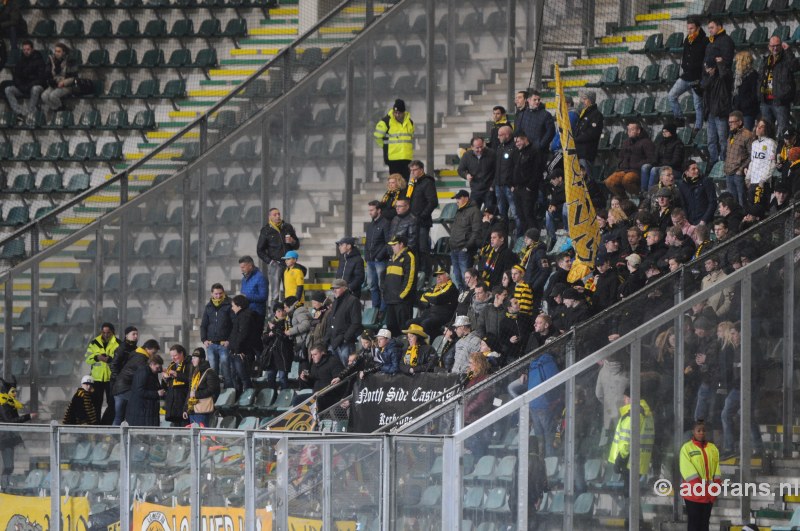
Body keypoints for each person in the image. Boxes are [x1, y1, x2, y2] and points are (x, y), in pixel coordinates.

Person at [607, 387, 655, 497]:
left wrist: (620, 459)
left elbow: (626, 441)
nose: (624, 401)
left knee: (629, 497)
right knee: (633, 496)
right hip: (638, 461)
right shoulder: (645, 413)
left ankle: (630, 514)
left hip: (629, 462)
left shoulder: (633, 414)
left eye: (625, 398)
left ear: (631, 398)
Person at [680, 419, 721, 531]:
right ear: (693, 432)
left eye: (703, 430)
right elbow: (687, 470)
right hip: (693, 493)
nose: (701, 433)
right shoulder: (687, 448)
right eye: (698, 430)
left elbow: (717, 470)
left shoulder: (713, 448)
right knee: (694, 523)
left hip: (708, 494)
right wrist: (699, 488)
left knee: (704, 524)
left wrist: (715, 488)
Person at [256, 208, 299, 311]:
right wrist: (270, 261)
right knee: (275, 293)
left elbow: (297, 245)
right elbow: (259, 250)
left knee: (289, 291)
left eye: (279, 214)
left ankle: (289, 314)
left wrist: (292, 241)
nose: (278, 216)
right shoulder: (266, 230)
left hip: (289, 265)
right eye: (275, 215)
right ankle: (273, 316)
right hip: (276, 264)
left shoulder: (288, 227)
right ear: (270, 217)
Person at [669, 17, 708, 131]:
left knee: (698, 105)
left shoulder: (704, 41)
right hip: (686, 75)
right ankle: (679, 118)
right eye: (688, 28)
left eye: (691, 28)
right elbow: (685, 56)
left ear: (698, 28)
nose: (689, 30)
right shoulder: (687, 40)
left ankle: (698, 127)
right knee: (671, 95)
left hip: (697, 77)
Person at [758, 36, 800, 140]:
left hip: (780, 101)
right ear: (769, 47)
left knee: (783, 130)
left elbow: (795, 67)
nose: (775, 48)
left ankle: (780, 154)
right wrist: (759, 95)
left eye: (777, 45)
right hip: (765, 101)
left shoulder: (786, 59)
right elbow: (760, 79)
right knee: (766, 130)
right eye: (773, 46)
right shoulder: (765, 60)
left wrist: (788, 51)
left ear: (781, 45)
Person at [112, 339, 161, 425]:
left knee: (119, 416)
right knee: (136, 407)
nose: (153, 355)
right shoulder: (141, 358)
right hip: (125, 388)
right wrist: (161, 370)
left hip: (119, 388)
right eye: (153, 353)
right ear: (147, 348)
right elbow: (148, 370)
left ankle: (116, 436)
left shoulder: (137, 354)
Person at [604, 122, 656, 199]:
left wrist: (637, 165)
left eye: (632, 130)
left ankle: (640, 197)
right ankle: (624, 199)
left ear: (638, 131)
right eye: (628, 130)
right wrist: (617, 154)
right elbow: (621, 156)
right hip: (624, 170)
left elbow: (652, 159)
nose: (629, 132)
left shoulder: (646, 142)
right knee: (609, 182)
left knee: (627, 180)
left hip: (636, 171)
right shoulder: (626, 142)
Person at [0, 378, 36, 489]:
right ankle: (3, 486)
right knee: (8, 466)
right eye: (13, 391)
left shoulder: (10, 404)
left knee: (9, 466)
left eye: (16, 391)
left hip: (8, 439)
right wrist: (28, 416)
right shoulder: (3, 404)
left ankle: (4, 486)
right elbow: (10, 422)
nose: (15, 394)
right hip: (4, 440)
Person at [406, 160, 439, 275]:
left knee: (423, 249)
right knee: (413, 249)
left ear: (421, 169)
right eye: (411, 170)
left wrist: (421, 216)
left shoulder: (427, 182)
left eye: (415, 170)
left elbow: (433, 202)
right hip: (411, 222)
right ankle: (416, 273)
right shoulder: (412, 184)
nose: (413, 172)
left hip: (422, 222)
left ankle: (426, 275)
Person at [200, 283, 233, 388]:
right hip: (211, 344)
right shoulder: (208, 306)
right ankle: (214, 392)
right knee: (213, 371)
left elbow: (234, 325)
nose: (218, 296)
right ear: (212, 294)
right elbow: (203, 325)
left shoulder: (229, 305)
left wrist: (229, 340)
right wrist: (204, 339)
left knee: (226, 369)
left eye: (220, 293)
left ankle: (229, 391)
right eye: (216, 294)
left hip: (224, 344)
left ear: (223, 293)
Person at [4, 40, 46, 121]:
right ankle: (19, 113)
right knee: (8, 89)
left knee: (35, 89)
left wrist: (29, 86)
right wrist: (21, 86)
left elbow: (41, 79)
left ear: (32, 49)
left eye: (28, 49)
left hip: (36, 86)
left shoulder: (39, 61)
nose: (26, 51)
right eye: (24, 50)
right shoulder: (20, 62)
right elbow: (16, 77)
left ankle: (30, 113)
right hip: (23, 87)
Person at [85, 322, 118, 425]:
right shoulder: (94, 343)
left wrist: (110, 359)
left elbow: (121, 359)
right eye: (103, 332)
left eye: (108, 332)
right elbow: (87, 358)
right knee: (95, 403)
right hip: (96, 379)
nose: (106, 335)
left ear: (113, 332)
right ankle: (95, 427)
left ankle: (106, 425)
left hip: (111, 378)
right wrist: (97, 357)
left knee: (112, 404)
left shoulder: (118, 343)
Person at [383, 235, 417, 337]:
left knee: (404, 329)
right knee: (391, 329)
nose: (392, 247)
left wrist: (402, 295)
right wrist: (385, 293)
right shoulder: (391, 258)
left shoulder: (409, 257)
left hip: (402, 301)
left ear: (401, 244)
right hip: (390, 300)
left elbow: (410, 279)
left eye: (394, 244)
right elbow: (386, 278)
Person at [449, 189, 483, 291]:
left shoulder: (474, 211)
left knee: (467, 278)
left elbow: (476, 231)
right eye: (456, 198)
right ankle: (461, 296)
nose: (457, 200)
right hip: (454, 248)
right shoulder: (459, 210)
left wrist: (467, 247)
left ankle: (468, 296)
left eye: (459, 198)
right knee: (457, 276)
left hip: (464, 250)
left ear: (466, 198)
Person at [323, 278, 362, 366]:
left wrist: (345, 338)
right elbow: (331, 322)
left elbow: (356, 322)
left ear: (345, 288)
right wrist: (327, 339)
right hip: (333, 342)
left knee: (347, 368)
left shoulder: (353, 301)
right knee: (336, 369)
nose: (334, 291)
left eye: (336, 288)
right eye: (333, 289)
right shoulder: (335, 302)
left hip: (345, 343)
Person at [702, 57, 733, 165]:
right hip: (710, 113)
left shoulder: (722, 78)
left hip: (720, 112)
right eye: (706, 68)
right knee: (711, 140)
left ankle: (724, 160)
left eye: (709, 68)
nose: (707, 70)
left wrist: (720, 64)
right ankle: (714, 161)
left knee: (723, 139)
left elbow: (725, 75)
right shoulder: (708, 78)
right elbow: (704, 86)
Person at [373, 98, 414, 180]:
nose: (397, 115)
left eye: (399, 113)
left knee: (404, 184)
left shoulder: (410, 122)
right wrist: (385, 147)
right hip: (393, 159)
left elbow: (410, 138)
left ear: (404, 112)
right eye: (396, 112)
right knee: (395, 184)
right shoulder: (386, 122)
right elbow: (377, 137)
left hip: (406, 158)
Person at [511, 131, 541, 237]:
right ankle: (526, 239)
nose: (516, 144)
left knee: (528, 214)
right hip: (517, 189)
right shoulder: (517, 152)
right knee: (520, 215)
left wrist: (530, 187)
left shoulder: (534, 151)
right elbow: (512, 169)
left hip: (528, 189)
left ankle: (534, 238)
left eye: (518, 141)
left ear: (525, 139)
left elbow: (537, 171)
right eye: (515, 142)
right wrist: (512, 185)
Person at [228, 295, 260, 394]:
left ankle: (247, 398)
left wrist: (238, 350)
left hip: (242, 352)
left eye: (233, 305)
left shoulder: (245, 316)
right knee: (235, 377)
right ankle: (238, 398)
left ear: (239, 306)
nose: (232, 308)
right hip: (235, 351)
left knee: (243, 377)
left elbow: (243, 334)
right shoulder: (240, 316)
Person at [299, 343, 345, 411]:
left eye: (315, 354)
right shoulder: (314, 364)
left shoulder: (333, 362)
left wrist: (321, 392)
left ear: (322, 353)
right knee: (297, 399)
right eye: (312, 355)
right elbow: (314, 382)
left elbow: (338, 382)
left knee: (317, 402)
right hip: (316, 395)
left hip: (330, 395)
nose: (312, 357)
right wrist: (305, 379)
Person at [724, 111, 755, 206]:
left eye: (732, 122)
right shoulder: (731, 134)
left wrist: (741, 169)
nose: (730, 124)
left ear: (740, 122)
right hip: (729, 172)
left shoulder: (748, 135)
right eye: (729, 122)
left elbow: (752, 155)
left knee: (742, 201)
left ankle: (744, 219)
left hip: (738, 174)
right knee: (732, 202)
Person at [260, 300, 293, 390]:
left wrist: (274, 330)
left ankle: (285, 396)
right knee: (271, 377)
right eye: (278, 311)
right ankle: (272, 396)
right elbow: (264, 339)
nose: (281, 313)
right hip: (272, 355)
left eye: (283, 310)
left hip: (283, 354)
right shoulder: (271, 323)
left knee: (282, 378)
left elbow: (285, 337)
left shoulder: (288, 322)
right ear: (275, 313)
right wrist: (269, 335)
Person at [183, 348, 220, 427]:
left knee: (202, 436)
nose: (192, 360)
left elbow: (212, 390)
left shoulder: (209, 372)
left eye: (195, 358)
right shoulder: (194, 373)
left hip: (203, 411)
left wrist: (196, 394)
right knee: (194, 436)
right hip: (193, 410)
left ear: (202, 359)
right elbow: (190, 392)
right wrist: (186, 409)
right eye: (192, 358)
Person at [365, 200, 391, 310]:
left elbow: (388, 242)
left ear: (379, 210)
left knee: (382, 286)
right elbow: (367, 242)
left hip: (380, 260)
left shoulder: (385, 223)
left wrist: (379, 256)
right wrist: (367, 256)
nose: (370, 212)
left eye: (372, 210)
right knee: (372, 286)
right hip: (370, 261)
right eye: (369, 210)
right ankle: (375, 309)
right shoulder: (370, 225)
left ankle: (383, 310)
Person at [418, 268, 459, 338]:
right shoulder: (434, 286)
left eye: (440, 275)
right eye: (437, 276)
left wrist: (428, 297)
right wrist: (430, 300)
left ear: (447, 277)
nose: (438, 277)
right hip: (430, 313)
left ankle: (430, 342)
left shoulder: (451, 287)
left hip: (443, 315)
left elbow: (436, 299)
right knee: (409, 323)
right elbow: (421, 299)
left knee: (425, 324)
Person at [126, 354, 165, 427]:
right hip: (142, 411)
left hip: (148, 410)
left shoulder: (152, 373)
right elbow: (139, 391)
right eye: (158, 367)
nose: (159, 369)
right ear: (152, 364)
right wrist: (156, 393)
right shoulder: (143, 372)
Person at [644, 122, 685, 191]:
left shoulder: (678, 144)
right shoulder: (661, 143)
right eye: (663, 131)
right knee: (645, 167)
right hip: (661, 166)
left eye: (666, 131)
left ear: (671, 132)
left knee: (654, 170)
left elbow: (676, 161)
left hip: (674, 169)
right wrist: (654, 163)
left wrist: (662, 165)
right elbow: (655, 157)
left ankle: (650, 192)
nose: (664, 133)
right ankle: (643, 191)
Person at [458, 136, 496, 210]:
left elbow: (497, 171)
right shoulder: (467, 156)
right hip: (475, 190)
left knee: (490, 212)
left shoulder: (492, 154)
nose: (480, 149)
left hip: (489, 190)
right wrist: (466, 175)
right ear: (472, 147)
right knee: (473, 212)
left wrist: (493, 186)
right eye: (477, 148)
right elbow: (460, 170)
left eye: (481, 147)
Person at [41, 42, 78, 115]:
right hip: (54, 84)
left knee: (52, 96)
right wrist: (50, 81)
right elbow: (47, 74)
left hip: (67, 85)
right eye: (55, 51)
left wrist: (63, 82)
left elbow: (74, 77)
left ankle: (60, 110)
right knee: (44, 96)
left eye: (59, 51)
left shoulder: (70, 61)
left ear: (64, 52)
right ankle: (59, 109)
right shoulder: (51, 60)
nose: (56, 53)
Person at [678, 161, 718, 226]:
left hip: (706, 222)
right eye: (693, 169)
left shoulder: (706, 181)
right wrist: (687, 221)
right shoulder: (682, 185)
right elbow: (683, 205)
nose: (696, 171)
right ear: (686, 172)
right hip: (690, 222)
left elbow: (713, 202)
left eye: (697, 168)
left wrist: (704, 220)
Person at [162, 345, 191, 427]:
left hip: (183, 402)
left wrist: (176, 374)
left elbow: (190, 380)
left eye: (175, 355)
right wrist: (164, 379)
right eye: (171, 356)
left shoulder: (189, 364)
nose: (173, 358)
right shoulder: (171, 366)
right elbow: (166, 387)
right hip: (173, 406)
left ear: (181, 353)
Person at [494, 124, 517, 220]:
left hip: (509, 186)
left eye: (500, 135)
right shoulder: (500, 147)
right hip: (498, 185)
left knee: (516, 212)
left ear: (507, 135)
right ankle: (503, 234)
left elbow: (516, 167)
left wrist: (513, 183)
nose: (497, 137)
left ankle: (519, 234)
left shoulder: (515, 148)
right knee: (502, 215)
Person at [574, 91, 604, 165]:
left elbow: (591, 134)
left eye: (585, 99)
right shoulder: (585, 112)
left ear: (590, 100)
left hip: (587, 152)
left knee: (585, 174)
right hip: (579, 151)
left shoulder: (596, 115)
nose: (583, 101)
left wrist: (575, 139)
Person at [732, 51, 760, 130]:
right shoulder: (737, 76)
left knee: (747, 133)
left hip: (748, 111)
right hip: (737, 110)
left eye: (738, 61)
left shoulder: (753, 75)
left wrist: (745, 104)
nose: (736, 63)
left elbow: (755, 94)